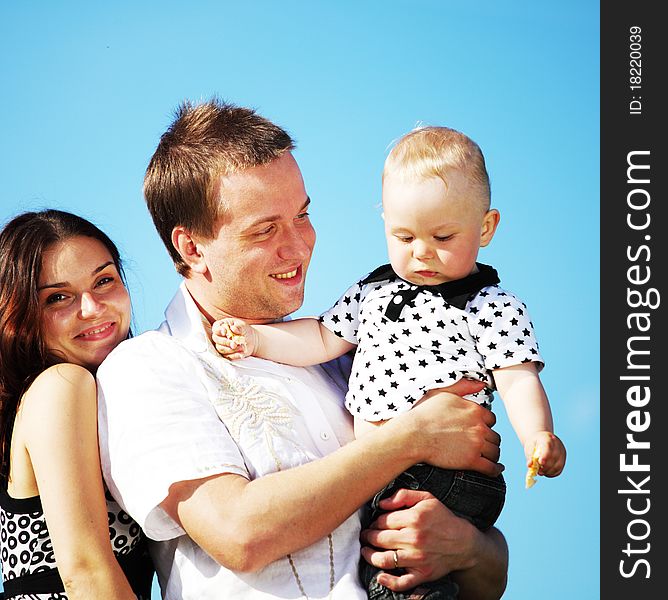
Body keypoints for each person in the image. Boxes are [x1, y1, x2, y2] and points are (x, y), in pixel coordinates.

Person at [96, 99, 509, 600]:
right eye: (265, 229)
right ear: (191, 247)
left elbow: (492, 575)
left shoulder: (352, 356)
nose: (299, 245)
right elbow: (238, 533)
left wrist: (466, 548)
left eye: (303, 214)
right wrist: (410, 437)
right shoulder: (146, 368)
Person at [212, 125, 567, 598]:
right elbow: (319, 337)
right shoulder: (373, 293)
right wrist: (256, 340)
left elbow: (518, 380)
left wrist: (538, 435)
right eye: (404, 236)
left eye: (442, 236)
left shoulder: (490, 304)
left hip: (447, 474)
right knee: (395, 565)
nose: (421, 252)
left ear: (485, 227)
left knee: (392, 572)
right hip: (388, 471)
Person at [0, 210, 154, 600]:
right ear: (21, 317)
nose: (91, 307)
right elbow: (86, 572)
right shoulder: (61, 386)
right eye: (58, 298)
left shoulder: (105, 397)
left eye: (104, 281)